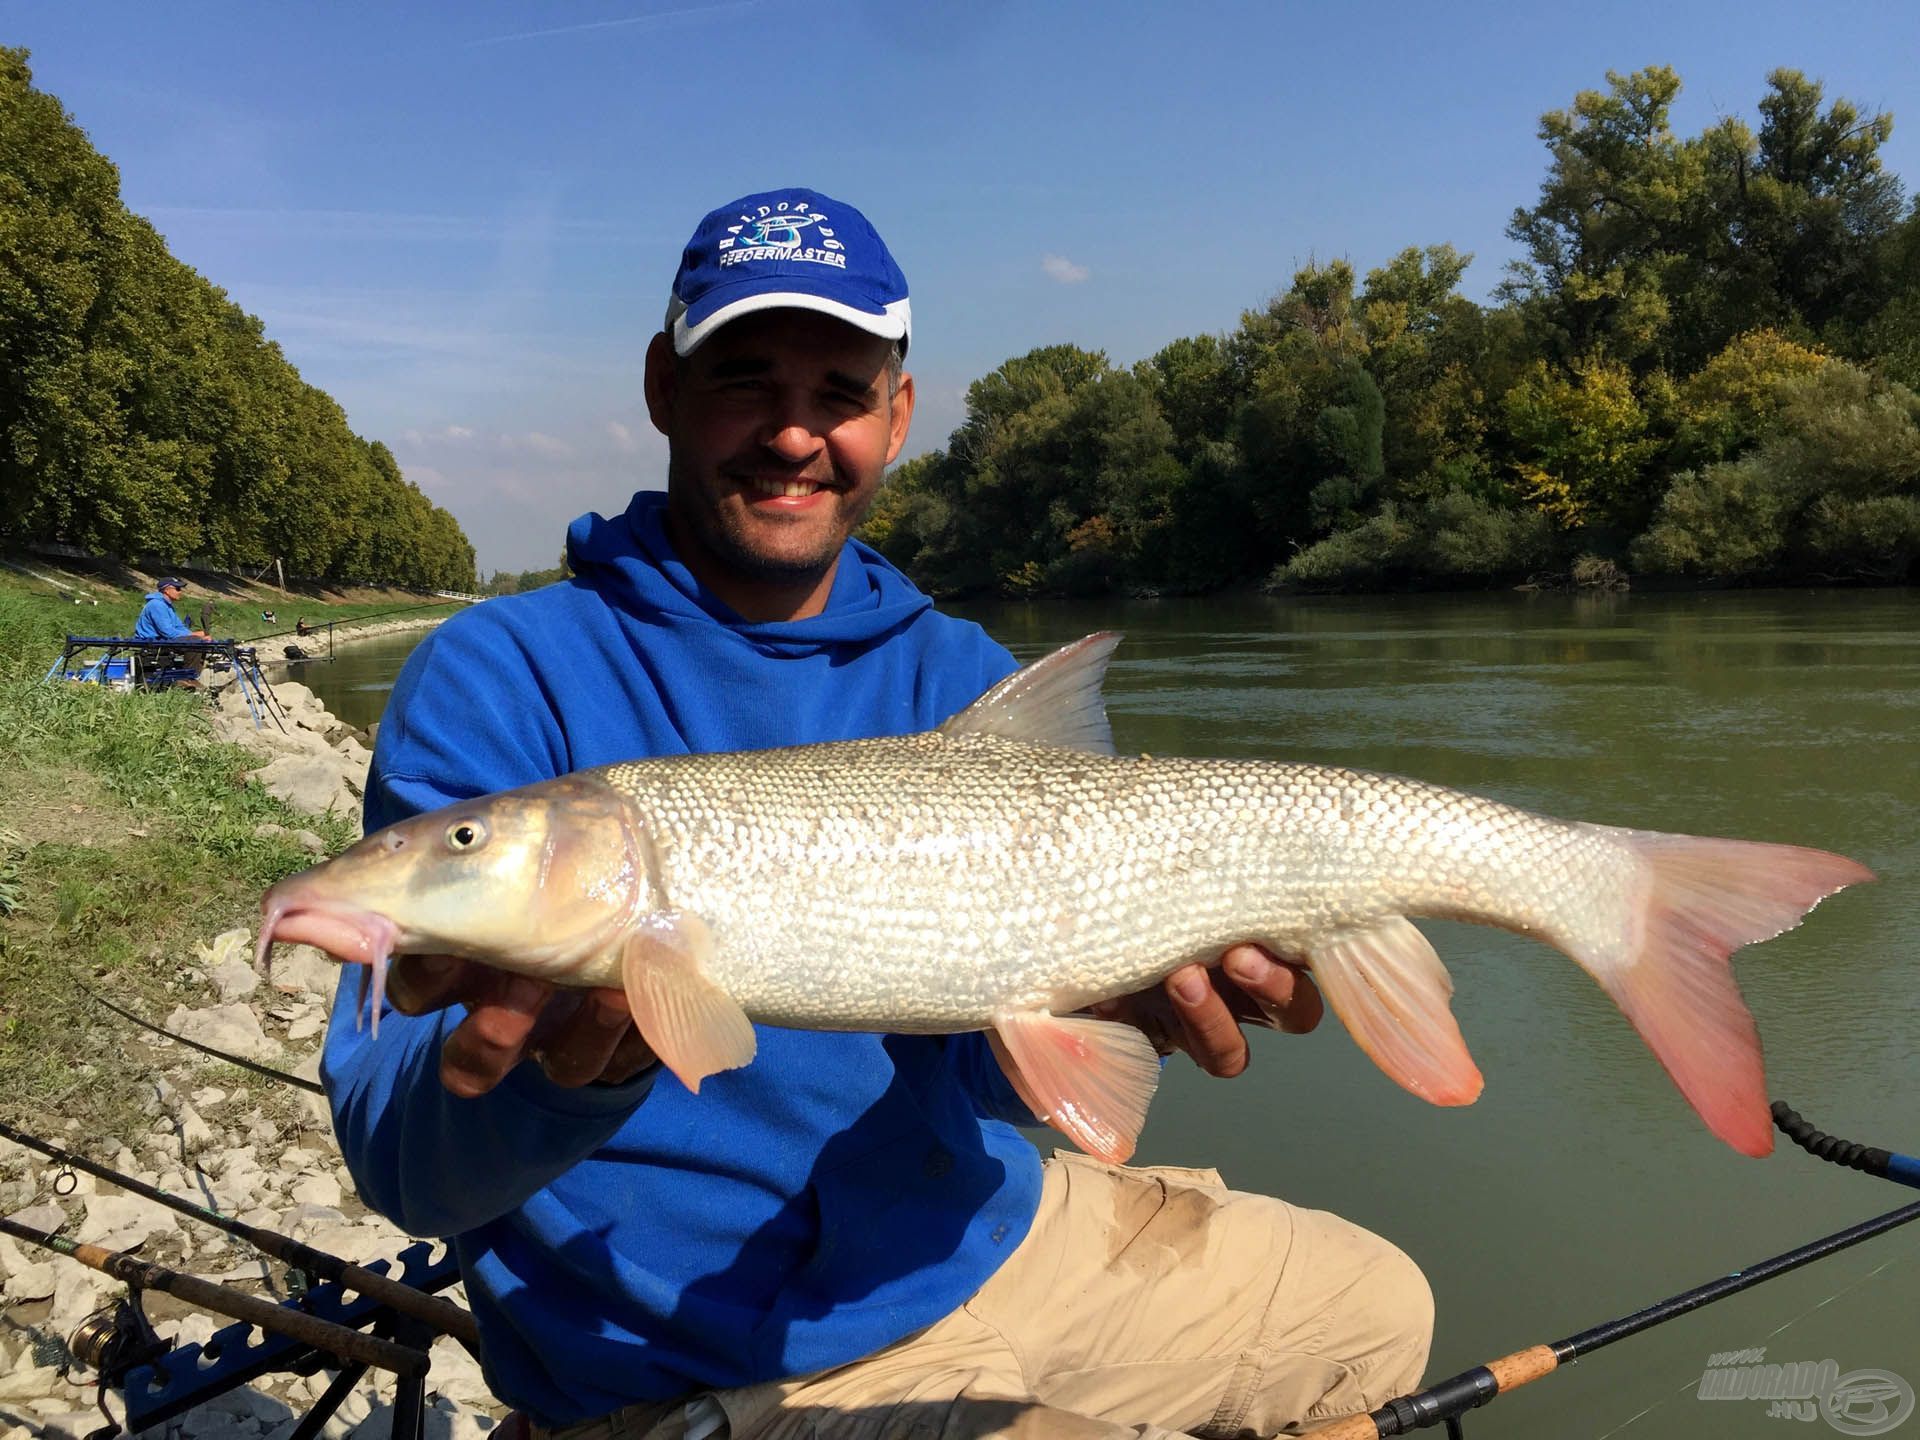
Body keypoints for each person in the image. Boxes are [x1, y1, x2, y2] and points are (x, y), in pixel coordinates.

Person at [322, 188, 1432, 1440]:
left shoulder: (960, 675)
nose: (794, 435)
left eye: (840, 393)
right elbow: (401, 1165)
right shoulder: (498, 678)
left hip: (972, 1244)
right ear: (662, 388)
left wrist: (1105, 1001)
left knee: (1379, 1312)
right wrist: (564, 1081)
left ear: (897, 417)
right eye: (745, 380)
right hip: (701, 1367)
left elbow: (968, 1066)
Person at [132, 576, 209, 686]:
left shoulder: (167, 606)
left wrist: (200, 634)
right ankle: (187, 678)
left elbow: (179, 627)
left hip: (162, 639)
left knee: (203, 642)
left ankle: (194, 675)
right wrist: (194, 635)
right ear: (167, 590)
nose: (180, 592)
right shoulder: (156, 605)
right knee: (194, 642)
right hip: (153, 642)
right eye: (177, 589)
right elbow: (167, 632)